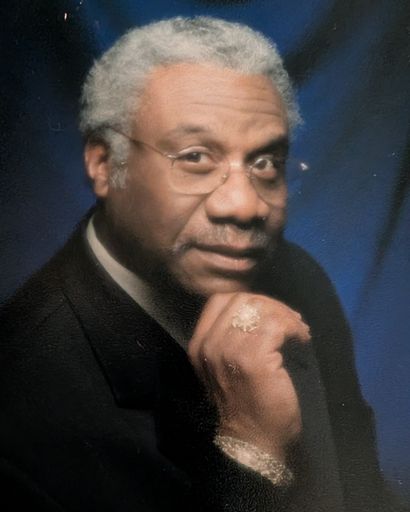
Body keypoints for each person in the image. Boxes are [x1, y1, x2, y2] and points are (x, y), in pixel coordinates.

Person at [0, 16, 404, 512]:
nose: (244, 205)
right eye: (195, 157)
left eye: (265, 163)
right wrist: (251, 450)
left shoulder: (300, 279)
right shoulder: (19, 397)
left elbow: (366, 493)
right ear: (104, 165)